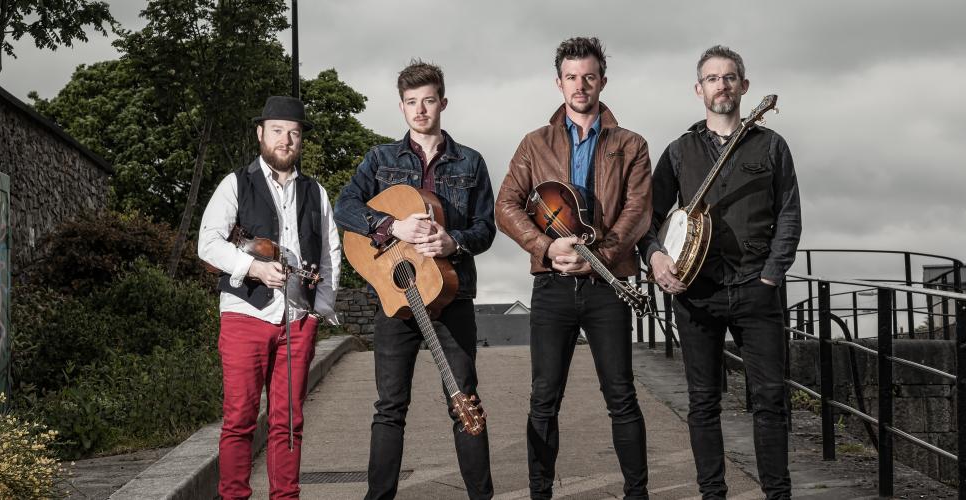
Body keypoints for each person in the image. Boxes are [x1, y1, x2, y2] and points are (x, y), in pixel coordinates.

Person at [637, 45, 801, 499]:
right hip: (696, 292)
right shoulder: (678, 151)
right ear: (699, 89)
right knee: (703, 402)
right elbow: (646, 219)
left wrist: (772, 273)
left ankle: (778, 493)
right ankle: (713, 494)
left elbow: (789, 213)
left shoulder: (771, 145)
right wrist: (654, 257)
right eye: (712, 78)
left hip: (756, 288)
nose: (721, 85)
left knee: (770, 399)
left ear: (744, 86)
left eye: (730, 77)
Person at [495, 37, 651, 500]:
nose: (580, 85)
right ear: (558, 82)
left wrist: (600, 257)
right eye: (571, 77)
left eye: (588, 76)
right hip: (552, 283)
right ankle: (540, 492)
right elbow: (506, 205)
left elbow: (639, 209)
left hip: (610, 283)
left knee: (621, 396)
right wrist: (546, 247)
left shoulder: (631, 144)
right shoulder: (533, 143)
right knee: (544, 397)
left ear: (602, 79)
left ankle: (637, 494)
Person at [334, 60, 496, 500]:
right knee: (389, 407)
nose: (420, 110)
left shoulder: (472, 162)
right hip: (396, 298)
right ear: (402, 106)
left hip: (451, 294)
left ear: (442, 102)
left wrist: (453, 243)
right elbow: (343, 206)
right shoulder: (380, 159)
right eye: (411, 102)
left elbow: (486, 229)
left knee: (465, 401)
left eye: (428, 100)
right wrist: (391, 226)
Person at [198, 95, 342, 500]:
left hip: (298, 320)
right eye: (277, 130)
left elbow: (330, 255)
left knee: (288, 422)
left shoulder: (316, 192)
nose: (286, 139)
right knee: (240, 419)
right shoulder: (236, 184)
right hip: (245, 314)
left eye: (294, 133)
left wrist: (318, 311)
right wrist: (255, 268)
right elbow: (207, 244)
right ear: (261, 134)